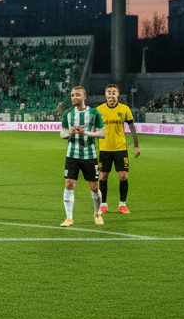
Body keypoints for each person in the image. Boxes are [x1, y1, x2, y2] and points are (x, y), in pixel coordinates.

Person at [59, 86, 105, 227]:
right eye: (72, 95)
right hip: (72, 154)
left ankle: (97, 212)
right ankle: (69, 217)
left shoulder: (93, 112)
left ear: (84, 96)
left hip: (89, 155)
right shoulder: (67, 114)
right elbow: (62, 134)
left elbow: (102, 133)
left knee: (94, 188)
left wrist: (86, 133)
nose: (74, 98)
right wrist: (70, 133)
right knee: (69, 184)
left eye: (77, 95)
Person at [96, 84, 141, 214]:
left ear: (118, 94)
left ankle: (122, 204)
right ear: (105, 95)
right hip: (105, 149)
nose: (111, 95)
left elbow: (132, 127)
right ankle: (103, 204)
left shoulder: (124, 109)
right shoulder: (99, 110)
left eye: (113, 92)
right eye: (109, 92)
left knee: (123, 176)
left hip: (121, 149)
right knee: (103, 176)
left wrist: (136, 146)